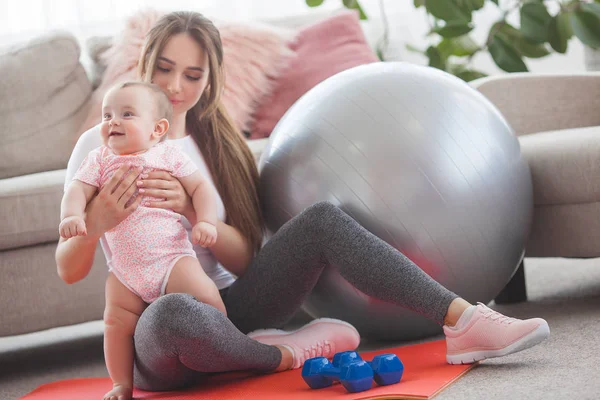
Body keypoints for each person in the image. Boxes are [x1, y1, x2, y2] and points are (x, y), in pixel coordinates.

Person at [56, 11, 550, 400]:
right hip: (156, 334)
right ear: (146, 63)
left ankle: (464, 321)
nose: (175, 87)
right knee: (172, 314)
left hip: (229, 308)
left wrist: (191, 212)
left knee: (321, 222)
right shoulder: (101, 143)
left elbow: (245, 259)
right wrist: (97, 221)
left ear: (210, 80)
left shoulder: (219, 147)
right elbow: (69, 270)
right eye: (164, 69)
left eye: (192, 74)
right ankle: (280, 353)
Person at [60, 80, 226, 399]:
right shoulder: (99, 159)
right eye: (107, 115)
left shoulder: (167, 155)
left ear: (157, 129)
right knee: (114, 323)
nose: (113, 122)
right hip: (124, 272)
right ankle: (121, 383)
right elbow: (76, 190)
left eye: (126, 114)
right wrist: (73, 216)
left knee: (208, 299)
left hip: (171, 259)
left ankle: (226, 350)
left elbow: (200, 188)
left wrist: (205, 220)